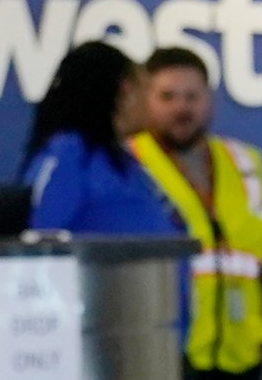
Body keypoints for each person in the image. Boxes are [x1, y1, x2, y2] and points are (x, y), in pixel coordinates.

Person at [130, 46, 262, 380]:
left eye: (192, 96)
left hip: (241, 359)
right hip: (165, 363)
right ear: (144, 100)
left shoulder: (246, 162)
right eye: (167, 97)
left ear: (209, 99)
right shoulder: (128, 165)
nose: (181, 108)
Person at [22, 43, 180, 237]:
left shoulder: (123, 160)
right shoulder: (70, 153)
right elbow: (36, 235)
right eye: (147, 89)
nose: (151, 103)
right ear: (126, 91)